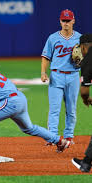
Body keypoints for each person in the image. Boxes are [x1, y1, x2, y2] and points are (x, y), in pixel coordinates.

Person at [41, 9, 81, 145]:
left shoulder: (80, 39)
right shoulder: (53, 38)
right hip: (56, 76)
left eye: (68, 21)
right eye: (64, 20)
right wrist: (43, 72)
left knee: (71, 109)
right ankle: (52, 137)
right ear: (60, 21)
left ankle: (69, 136)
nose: (66, 23)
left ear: (73, 21)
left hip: (73, 76)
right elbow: (45, 57)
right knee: (54, 109)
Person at [71, 34, 92, 173]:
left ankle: (86, 163)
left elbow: (84, 91)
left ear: (84, 46)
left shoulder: (88, 58)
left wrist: (86, 100)